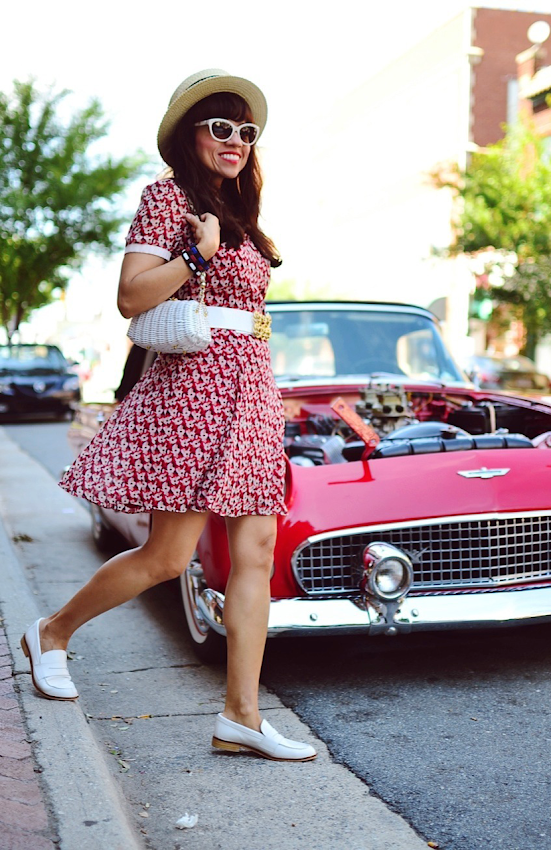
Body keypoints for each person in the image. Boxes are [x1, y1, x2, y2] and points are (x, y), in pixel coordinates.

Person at [21, 69, 317, 763]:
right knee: (167, 556)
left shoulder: (242, 216)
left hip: (248, 396)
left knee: (255, 555)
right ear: (190, 135)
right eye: (221, 127)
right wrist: (195, 253)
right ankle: (52, 632)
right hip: (193, 396)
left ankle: (241, 715)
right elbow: (131, 297)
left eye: (246, 132)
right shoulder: (169, 199)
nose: (237, 140)